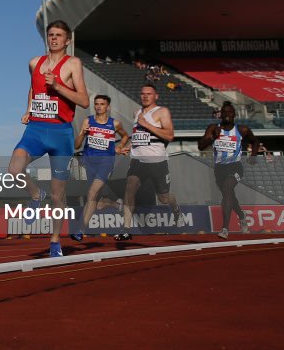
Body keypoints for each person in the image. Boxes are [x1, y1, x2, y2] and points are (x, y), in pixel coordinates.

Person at [7, 20, 89, 258]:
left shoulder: (73, 64)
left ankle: (54, 241)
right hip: (36, 129)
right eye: (50, 35)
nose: (54, 38)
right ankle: (35, 194)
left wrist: (59, 86)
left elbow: (84, 100)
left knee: (57, 195)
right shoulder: (35, 62)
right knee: (14, 169)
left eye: (58, 35)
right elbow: (33, 87)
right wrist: (29, 108)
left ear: (67, 40)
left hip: (61, 134)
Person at [114, 84, 181, 241]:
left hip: (157, 161)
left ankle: (176, 207)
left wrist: (147, 124)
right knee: (130, 188)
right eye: (143, 93)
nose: (145, 96)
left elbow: (169, 135)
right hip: (138, 160)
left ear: (155, 96)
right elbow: (140, 137)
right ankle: (126, 229)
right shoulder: (136, 113)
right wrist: (129, 147)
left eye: (149, 94)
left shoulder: (161, 112)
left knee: (164, 198)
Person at [70, 94, 129, 242]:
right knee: (97, 203)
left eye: (102, 104)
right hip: (89, 162)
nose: (98, 106)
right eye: (96, 104)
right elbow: (76, 146)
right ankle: (116, 205)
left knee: (91, 194)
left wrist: (119, 147)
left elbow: (125, 136)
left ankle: (80, 230)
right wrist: (83, 132)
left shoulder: (114, 124)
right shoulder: (87, 121)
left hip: (106, 163)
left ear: (107, 107)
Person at [197, 102, 260, 239]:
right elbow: (201, 146)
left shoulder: (242, 130)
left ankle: (225, 228)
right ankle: (242, 216)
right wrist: (213, 137)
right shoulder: (213, 128)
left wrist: (254, 156)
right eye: (224, 112)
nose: (227, 114)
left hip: (235, 166)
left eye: (230, 112)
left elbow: (255, 141)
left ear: (234, 115)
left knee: (227, 188)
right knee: (229, 194)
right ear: (220, 114)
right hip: (219, 169)